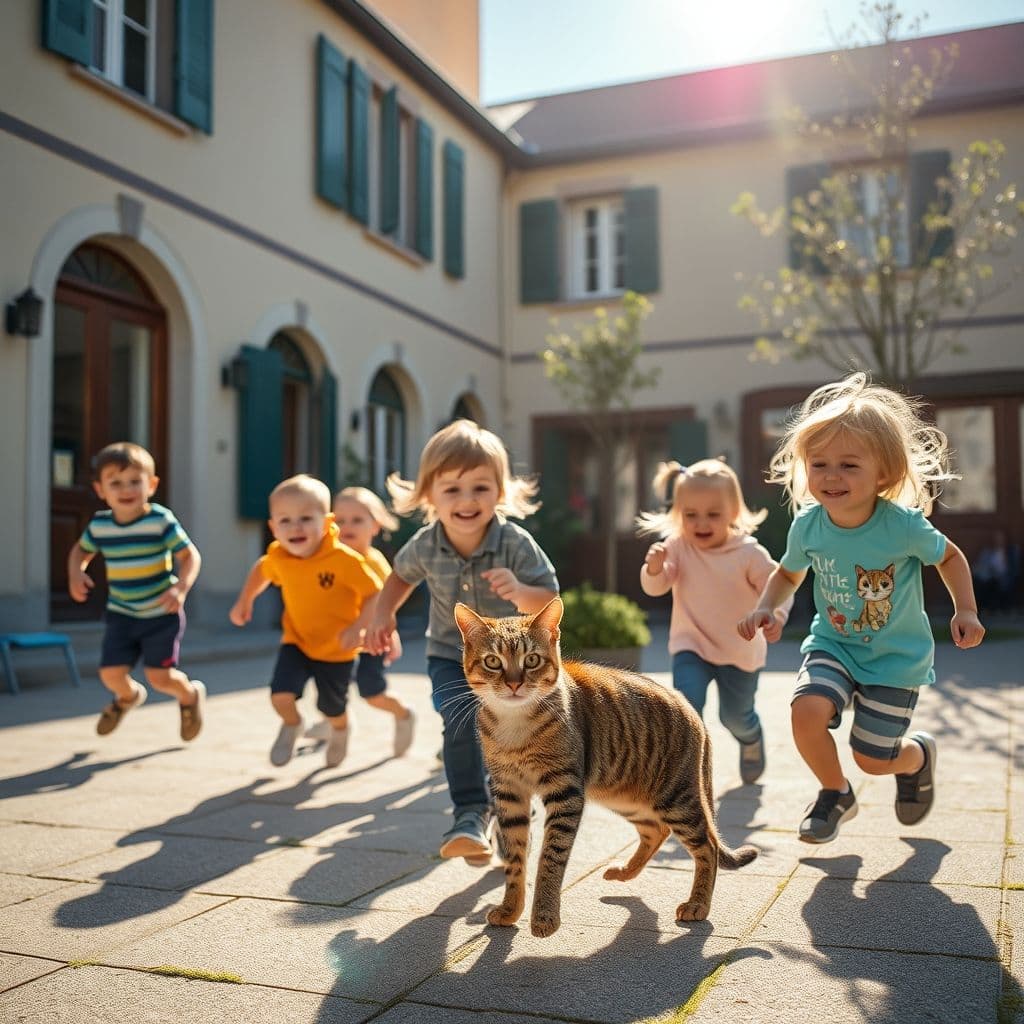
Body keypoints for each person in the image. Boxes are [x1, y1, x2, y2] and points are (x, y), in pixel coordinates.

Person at [737, 373, 985, 844]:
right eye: (820, 463)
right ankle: (835, 791)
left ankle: (917, 758)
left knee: (873, 756)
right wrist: (766, 606)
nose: (832, 476)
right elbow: (789, 573)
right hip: (834, 645)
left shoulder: (903, 526)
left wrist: (965, 610)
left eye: (849, 465)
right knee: (805, 710)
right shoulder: (809, 525)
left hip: (895, 660)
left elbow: (949, 557)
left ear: (883, 474)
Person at [363, 419, 559, 864]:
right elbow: (398, 578)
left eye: (480, 488)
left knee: (513, 738)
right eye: (451, 489)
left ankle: (510, 816)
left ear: (501, 491)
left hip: (512, 667)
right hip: (449, 656)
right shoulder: (426, 544)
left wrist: (519, 591)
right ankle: (470, 813)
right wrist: (382, 614)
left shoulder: (514, 543)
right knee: (460, 721)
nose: (467, 500)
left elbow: (549, 598)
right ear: (429, 495)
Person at [637, 458, 792, 785]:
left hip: (740, 650)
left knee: (734, 717)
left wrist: (775, 615)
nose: (701, 523)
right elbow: (657, 586)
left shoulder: (748, 553)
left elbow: (777, 585)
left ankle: (750, 738)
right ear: (679, 514)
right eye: (690, 515)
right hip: (690, 644)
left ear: (734, 513)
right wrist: (653, 569)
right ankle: (685, 771)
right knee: (687, 704)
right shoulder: (678, 547)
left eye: (713, 514)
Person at [228, 475, 383, 769]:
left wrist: (358, 627)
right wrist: (245, 600)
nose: (295, 527)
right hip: (297, 640)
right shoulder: (280, 556)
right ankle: (293, 724)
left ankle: (340, 727)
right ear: (273, 527)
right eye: (284, 521)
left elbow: (375, 593)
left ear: (326, 523)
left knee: (330, 706)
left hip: (337, 648)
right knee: (280, 695)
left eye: (305, 518)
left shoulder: (344, 560)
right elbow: (262, 570)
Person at [67, 442, 206, 741]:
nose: (125, 489)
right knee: (110, 674)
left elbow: (189, 556)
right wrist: (76, 572)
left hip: (161, 614)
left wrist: (181, 588)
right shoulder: (100, 525)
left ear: (152, 484)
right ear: (100, 490)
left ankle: (190, 696)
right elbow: (80, 551)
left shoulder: (160, 520)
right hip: (122, 614)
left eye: (134, 481)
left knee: (160, 677)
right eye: (115, 483)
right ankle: (128, 697)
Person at [302, 486, 415, 755]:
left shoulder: (374, 562)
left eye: (357, 520)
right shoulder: (332, 560)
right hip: (338, 639)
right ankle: (333, 721)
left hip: (370, 640)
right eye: (340, 520)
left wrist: (392, 633)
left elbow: (388, 602)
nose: (347, 526)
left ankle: (403, 713)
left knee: (372, 693)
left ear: (374, 526)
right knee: (328, 687)